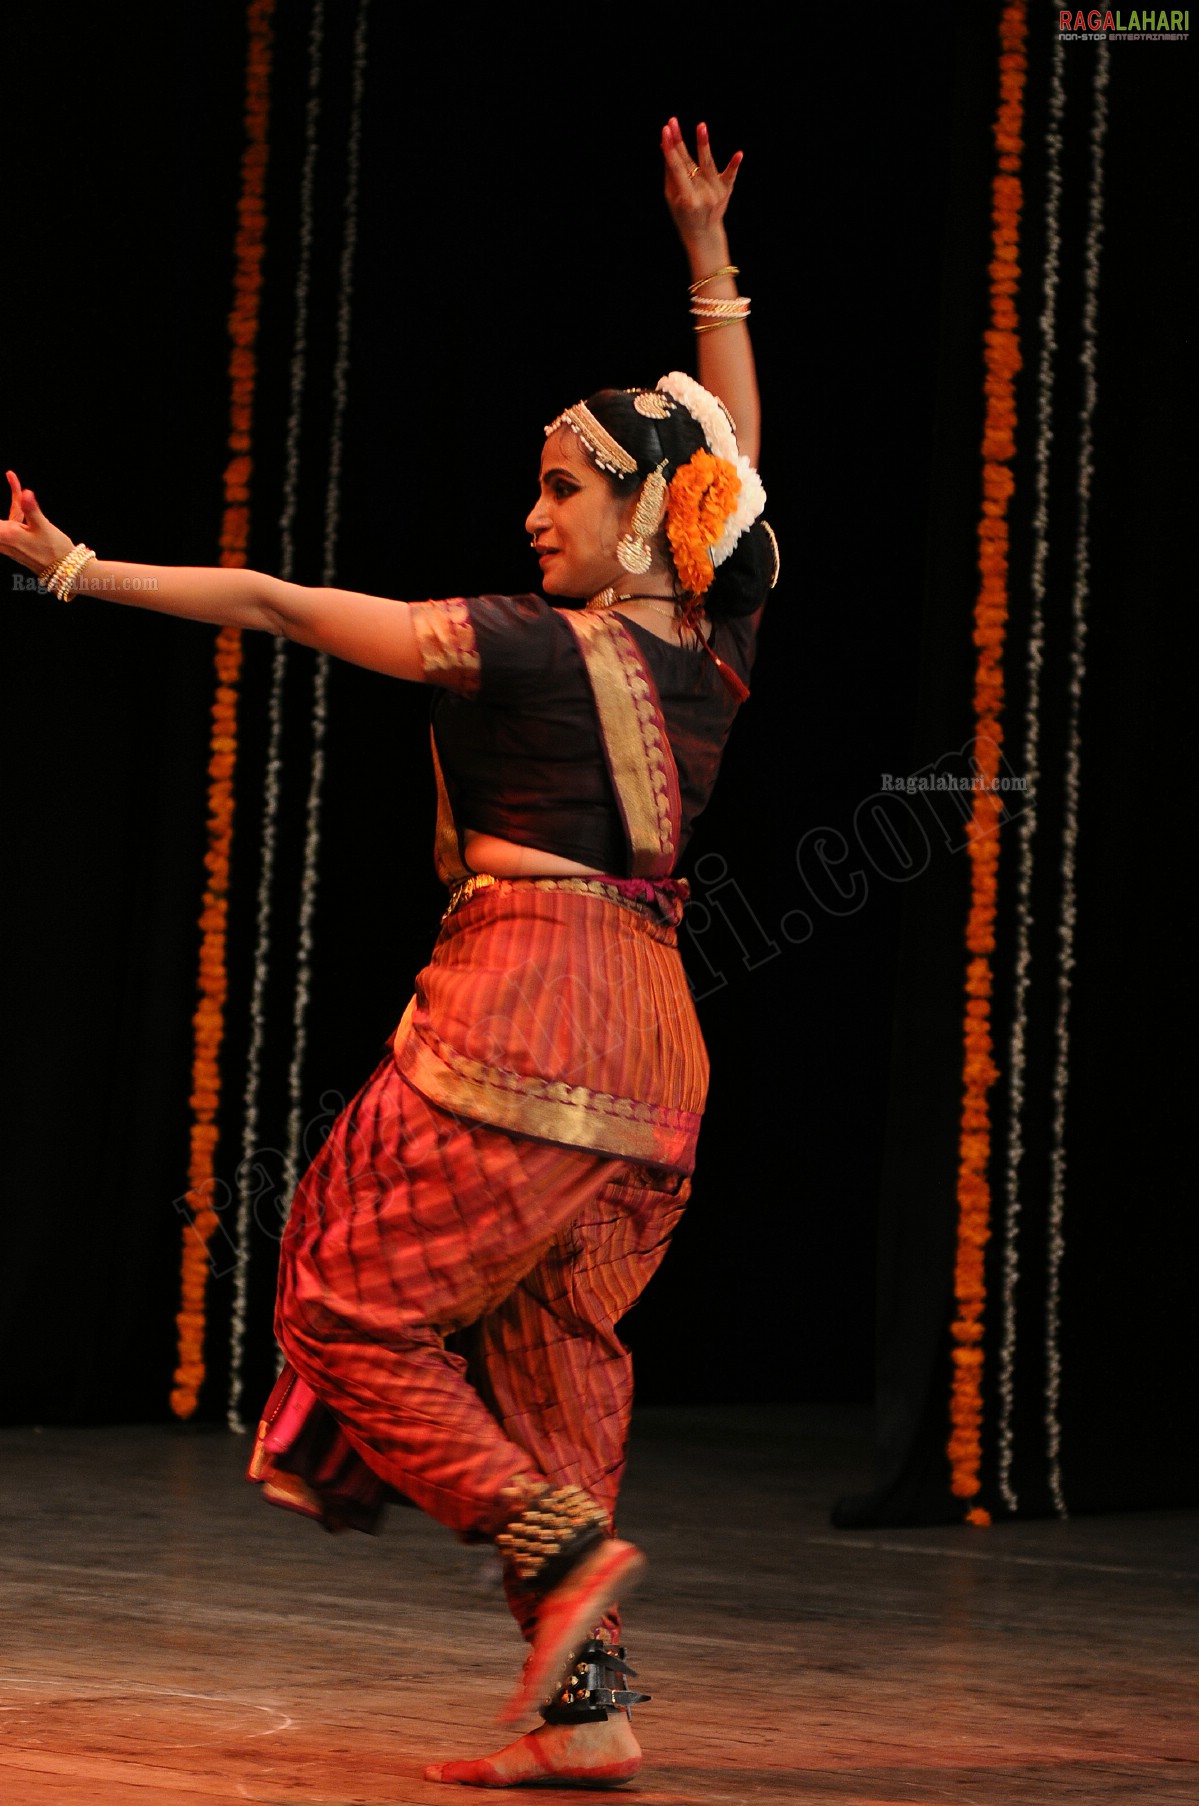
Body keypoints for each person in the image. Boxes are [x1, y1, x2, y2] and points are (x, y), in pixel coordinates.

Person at [1, 117, 776, 1789]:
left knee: (345, 1297)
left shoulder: (506, 647)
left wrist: (74, 571)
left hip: (529, 1004)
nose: (533, 508)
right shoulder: (719, 656)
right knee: (557, 1354)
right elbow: (740, 462)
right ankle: (592, 1714)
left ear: (645, 510)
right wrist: (710, 264)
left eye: (564, 484)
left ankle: (557, 1548)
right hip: (656, 1054)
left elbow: (279, 604)